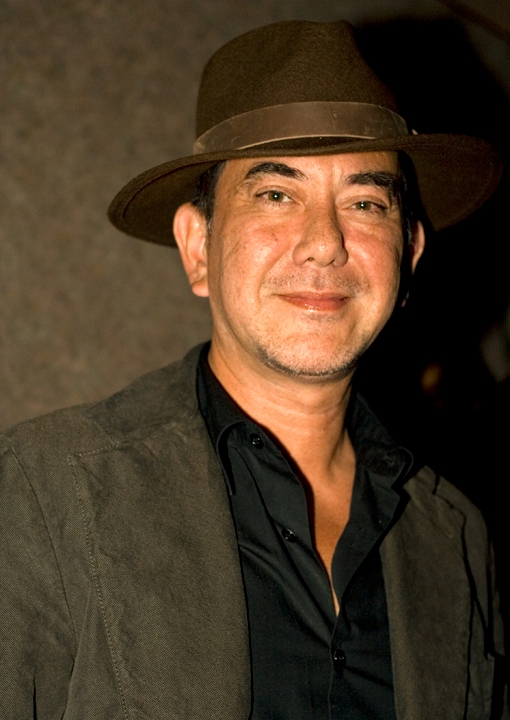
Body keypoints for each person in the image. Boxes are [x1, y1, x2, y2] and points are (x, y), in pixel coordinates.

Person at [0, 20, 506, 720]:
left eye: (365, 203)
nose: (325, 243)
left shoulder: (458, 537)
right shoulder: (44, 492)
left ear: (409, 254)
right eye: (275, 195)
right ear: (197, 247)